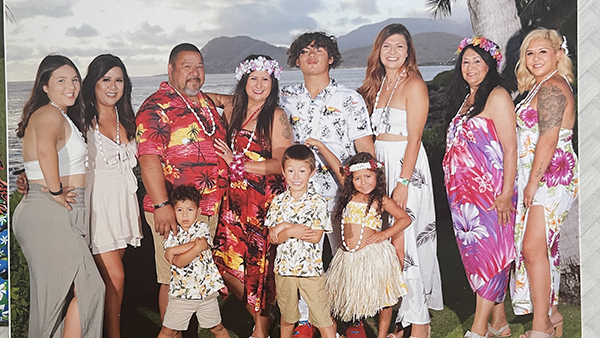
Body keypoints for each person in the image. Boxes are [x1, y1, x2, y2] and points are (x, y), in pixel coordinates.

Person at [280, 31, 375, 338]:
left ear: (331, 57)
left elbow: (366, 151)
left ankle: (352, 316)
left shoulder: (349, 99)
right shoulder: (284, 98)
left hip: (341, 191)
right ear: (296, 59)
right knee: (304, 255)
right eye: (304, 51)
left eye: (319, 51)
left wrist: (365, 191)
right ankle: (307, 320)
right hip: (299, 194)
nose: (311, 56)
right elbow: (249, 103)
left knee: (347, 254)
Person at [357, 23, 443, 338]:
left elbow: (415, 138)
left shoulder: (415, 84)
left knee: (408, 244)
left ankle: (420, 324)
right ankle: (405, 318)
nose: (393, 53)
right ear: (379, 51)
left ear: (409, 53)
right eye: (387, 46)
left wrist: (403, 182)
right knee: (392, 247)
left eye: (400, 47)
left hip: (406, 168)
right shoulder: (379, 85)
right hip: (382, 166)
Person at [136, 43, 228, 336]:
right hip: (175, 210)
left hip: (206, 208)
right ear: (171, 69)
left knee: (196, 272)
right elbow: (148, 158)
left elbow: (243, 101)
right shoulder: (155, 106)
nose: (194, 73)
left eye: (199, 66)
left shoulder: (205, 104)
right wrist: (163, 206)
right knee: (172, 278)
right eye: (186, 66)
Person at [13, 55, 105, 337]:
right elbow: (44, 150)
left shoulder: (56, 114)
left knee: (55, 299)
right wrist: (55, 192)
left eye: (75, 79)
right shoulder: (50, 113)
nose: (72, 86)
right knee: (90, 289)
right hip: (52, 210)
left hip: (55, 209)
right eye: (61, 80)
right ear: (44, 86)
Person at [208, 54, 291, 338]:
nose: (258, 84)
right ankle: (261, 322)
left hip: (262, 202)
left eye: (265, 79)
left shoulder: (276, 116)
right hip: (233, 201)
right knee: (222, 260)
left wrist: (239, 164)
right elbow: (208, 97)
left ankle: (261, 329)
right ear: (244, 81)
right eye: (253, 78)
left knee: (259, 269)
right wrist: (176, 91)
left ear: (273, 83)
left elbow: (282, 163)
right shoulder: (233, 108)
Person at [442, 36, 517, 338]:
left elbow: (510, 149)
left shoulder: (496, 96)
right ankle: (499, 322)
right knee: (477, 257)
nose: (470, 67)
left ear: (490, 65)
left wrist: (506, 194)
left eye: (477, 61)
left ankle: (478, 329)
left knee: (490, 254)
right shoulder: (465, 100)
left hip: (489, 191)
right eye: (465, 61)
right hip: (462, 196)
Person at [510, 28, 578, 338]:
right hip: (540, 174)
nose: (535, 58)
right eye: (530, 53)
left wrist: (532, 183)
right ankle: (551, 315)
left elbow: (549, 140)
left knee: (532, 247)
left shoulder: (551, 87)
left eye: (543, 52)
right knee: (540, 249)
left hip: (551, 174)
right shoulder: (540, 86)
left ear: (558, 55)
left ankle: (541, 327)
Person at [81, 54, 142, 338]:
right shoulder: (79, 118)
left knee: (109, 280)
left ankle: (102, 330)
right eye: (106, 79)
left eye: (118, 80)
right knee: (116, 277)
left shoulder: (128, 118)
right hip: (98, 206)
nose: (112, 86)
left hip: (123, 206)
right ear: (93, 82)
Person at [325, 152, 410, 338]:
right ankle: (335, 332)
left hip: (373, 256)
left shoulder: (381, 200)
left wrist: (385, 234)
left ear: (376, 176)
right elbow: (336, 165)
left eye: (368, 176)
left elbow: (404, 219)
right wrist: (320, 146)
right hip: (348, 257)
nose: (363, 182)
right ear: (350, 179)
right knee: (336, 296)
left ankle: (381, 335)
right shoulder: (349, 196)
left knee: (383, 299)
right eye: (357, 178)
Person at [265, 144, 336, 338]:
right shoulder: (278, 202)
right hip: (284, 270)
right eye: (290, 171)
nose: (296, 176)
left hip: (310, 270)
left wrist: (286, 228)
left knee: (322, 317)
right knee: (287, 317)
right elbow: (273, 238)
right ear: (283, 172)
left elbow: (315, 236)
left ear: (312, 172)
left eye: (302, 171)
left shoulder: (318, 203)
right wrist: (289, 229)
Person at [157, 185, 230, 338]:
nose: (185, 215)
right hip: (182, 294)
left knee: (217, 328)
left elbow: (202, 244)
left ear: (198, 211)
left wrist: (175, 250)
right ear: (173, 211)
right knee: (168, 331)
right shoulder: (171, 234)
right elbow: (178, 262)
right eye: (179, 210)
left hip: (206, 292)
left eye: (189, 210)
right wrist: (196, 247)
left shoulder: (202, 227)